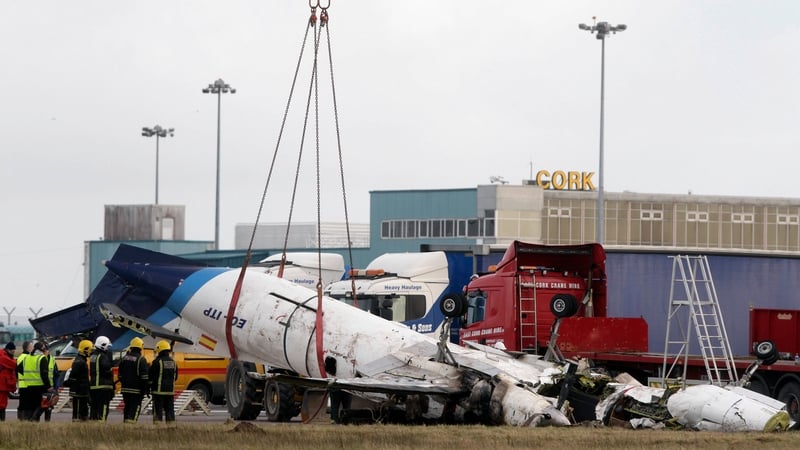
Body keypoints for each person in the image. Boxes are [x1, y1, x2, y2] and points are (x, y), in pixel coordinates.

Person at [118, 337, 150, 423]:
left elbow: (120, 375)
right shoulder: (141, 360)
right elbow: (144, 378)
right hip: (136, 391)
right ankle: (131, 427)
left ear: (131, 347)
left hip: (125, 390)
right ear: (141, 348)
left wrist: (125, 383)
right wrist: (145, 390)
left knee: (127, 408)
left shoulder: (124, 358)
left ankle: (126, 424)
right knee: (135, 409)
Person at [20, 342, 51, 421]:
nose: (45, 349)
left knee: (31, 406)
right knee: (42, 405)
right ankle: (33, 419)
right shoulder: (41, 358)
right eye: (44, 348)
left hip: (28, 386)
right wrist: (48, 386)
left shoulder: (26, 358)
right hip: (40, 386)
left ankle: (30, 423)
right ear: (41, 349)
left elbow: (19, 369)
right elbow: (44, 375)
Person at [63, 339, 92, 422]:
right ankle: (77, 427)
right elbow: (74, 375)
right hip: (79, 392)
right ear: (85, 350)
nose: (91, 352)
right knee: (78, 414)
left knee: (83, 411)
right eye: (90, 350)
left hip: (82, 391)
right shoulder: (80, 362)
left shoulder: (80, 360)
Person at [149, 340, 177, 424]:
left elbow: (151, 377)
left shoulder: (157, 362)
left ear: (160, 350)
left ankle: (158, 428)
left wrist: (149, 388)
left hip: (158, 392)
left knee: (158, 411)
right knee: (170, 411)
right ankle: (171, 427)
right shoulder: (173, 362)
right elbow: (175, 377)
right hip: (170, 392)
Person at [89, 336, 114, 421]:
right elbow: (107, 370)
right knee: (103, 407)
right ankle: (101, 424)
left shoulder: (93, 355)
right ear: (103, 345)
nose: (108, 348)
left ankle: (93, 423)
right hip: (103, 386)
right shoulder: (103, 356)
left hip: (93, 386)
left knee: (94, 407)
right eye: (107, 346)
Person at [14, 340, 32, 420]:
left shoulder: (20, 357)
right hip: (27, 383)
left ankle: (21, 418)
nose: (33, 348)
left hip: (22, 383)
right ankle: (25, 418)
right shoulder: (27, 357)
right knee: (26, 403)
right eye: (31, 346)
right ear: (28, 348)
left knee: (22, 402)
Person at [0, 342, 17, 421]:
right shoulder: (3, 357)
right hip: (2, 385)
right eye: (12, 350)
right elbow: (13, 364)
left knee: (3, 404)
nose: (13, 352)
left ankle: (2, 421)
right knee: (2, 404)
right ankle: (2, 421)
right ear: (8, 350)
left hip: (4, 385)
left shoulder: (5, 356)